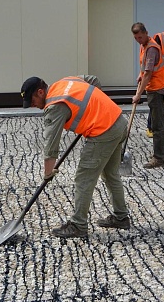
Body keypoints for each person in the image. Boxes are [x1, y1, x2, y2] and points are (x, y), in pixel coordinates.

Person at [20, 74, 131, 238]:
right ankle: (121, 217)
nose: (33, 105)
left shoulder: (54, 106)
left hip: (103, 131)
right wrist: (96, 108)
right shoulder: (65, 82)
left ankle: (78, 225)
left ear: (41, 92)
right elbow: (94, 80)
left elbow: (51, 144)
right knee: (110, 174)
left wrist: (47, 173)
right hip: (118, 121)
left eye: (33, 100)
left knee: (84, 178)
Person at [131, 22, 164, 168]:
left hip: (156, 89)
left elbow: (148, 74)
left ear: (146, 33)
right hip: (155, 87)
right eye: (136, 38)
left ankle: (158, 158)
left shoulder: (152, 48)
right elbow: (145, 69)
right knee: (160, 122)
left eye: (140, 37)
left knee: (157, 125)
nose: (139, 40)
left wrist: (138, 95)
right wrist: (140, 75)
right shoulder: (145, 46)